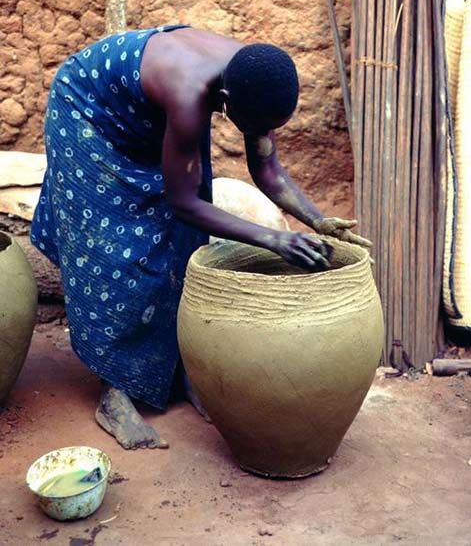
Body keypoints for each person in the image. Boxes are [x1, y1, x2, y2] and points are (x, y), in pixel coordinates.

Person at [31, 25, 370, 450]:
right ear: (225, 104)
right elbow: (184, 202)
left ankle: (179, 369)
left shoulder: (255, 76)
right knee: (114, 256)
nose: (260, 135)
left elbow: (267, 169)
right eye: (253, 127)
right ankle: (114, 392)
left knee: (183, 242)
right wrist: (274, 240)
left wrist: (317, 221)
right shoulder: (190, 95)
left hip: (143, 109)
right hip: (88, 113)